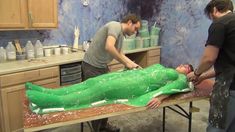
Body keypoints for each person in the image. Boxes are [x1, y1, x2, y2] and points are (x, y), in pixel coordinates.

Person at [26, 64, 194, 112]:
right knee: (91, 82)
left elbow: (176, 87)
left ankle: (52, 101)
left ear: (188, 72)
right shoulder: (164, 67)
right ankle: (48, 91)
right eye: (183, 65)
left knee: (97, 91)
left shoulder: (179, 77)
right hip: (126, 76)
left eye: (186, 67)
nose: (182, 66)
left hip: (132, 86)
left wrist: (160, 97)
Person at [81, 13, 141, 132]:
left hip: (101, 66)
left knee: (107, 97)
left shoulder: (121, 36)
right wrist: (126, 63)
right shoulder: (115, 26)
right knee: (97, 99)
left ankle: (103, 126)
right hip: (91, 66)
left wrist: (135, 65)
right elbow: (109, 46)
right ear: (129, 22)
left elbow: (121, 54)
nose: (135, 32)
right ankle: (98, 129)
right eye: (136, 28)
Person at [187, 0, 235, 131]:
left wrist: (196, 73)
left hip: (228, 88)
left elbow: (209, 59)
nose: (211, 19)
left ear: (214, 9)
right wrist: (203, 76)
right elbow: (229, 65)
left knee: (217, 127)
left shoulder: (220, 24)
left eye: (210, 16)